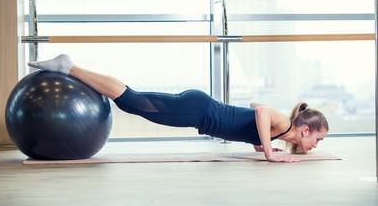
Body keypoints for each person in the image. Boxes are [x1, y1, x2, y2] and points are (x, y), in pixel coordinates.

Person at [28, 54, 329, 163]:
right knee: (131, 100)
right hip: (198, 111)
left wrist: (259, 143)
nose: (315, 145)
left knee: (132, 100)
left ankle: (72, 68)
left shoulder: (280, 132)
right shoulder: (283, 124)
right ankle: (70, 67)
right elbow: (260, 111)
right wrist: (266, 150)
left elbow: (251, 111)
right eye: (317, 138)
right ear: (304, 129)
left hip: (199, 108)